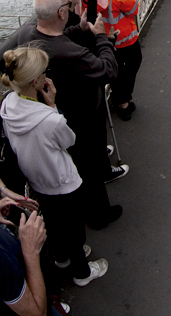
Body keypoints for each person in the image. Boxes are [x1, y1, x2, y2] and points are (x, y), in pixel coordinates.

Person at [0, 0, 124, 229]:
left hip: (54, 113)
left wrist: (79, 29)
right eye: (68, 4)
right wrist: (100, 36)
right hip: (78, 117)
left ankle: (87, 207)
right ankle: (99, 215)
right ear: (61, 12)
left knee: (78, 166)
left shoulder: (28, 32)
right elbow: (108, 70)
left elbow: (54, 37)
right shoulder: (70, 53)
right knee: (88, 167)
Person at [1, 47, 108, 287]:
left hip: (37, 180)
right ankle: (82, 271)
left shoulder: (8, 105)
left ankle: (62, 257)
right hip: (62, 180)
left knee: (54, 222)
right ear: (38, 81)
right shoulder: (49, 119)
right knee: (73, 227)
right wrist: (52, 106)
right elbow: (69, 141)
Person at [80, 0, 141, 122]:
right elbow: (133, 8)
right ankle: (123, 102)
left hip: (103, 39)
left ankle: (119, 98)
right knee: (133, 63)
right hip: (124, 37)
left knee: (115, 70)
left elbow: (90, 14)